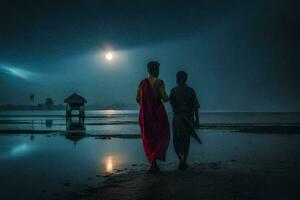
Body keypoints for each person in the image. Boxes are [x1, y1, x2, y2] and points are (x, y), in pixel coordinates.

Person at [136, 61, 170, 173]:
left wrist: (146, 106)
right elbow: (164, 98)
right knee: (162, 137)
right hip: (158, 114)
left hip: (145, 115)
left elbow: (137, 99)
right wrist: (170, 96)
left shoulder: (142, 83)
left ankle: (153, 164)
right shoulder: (159, 82)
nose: (158, 71)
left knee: (149, 139)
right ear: (155, 70)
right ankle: (153, 164)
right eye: (158, 69)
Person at [169, 71, 200, 170]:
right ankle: (184, 161)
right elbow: (195, 107)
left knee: (177, 140)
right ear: (185, 78)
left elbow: (173, 105)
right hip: (188, 118)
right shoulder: (190, 90)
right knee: (186, 141)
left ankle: (181, 160)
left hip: (178, 118)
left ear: (177, 78)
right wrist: (197, 120)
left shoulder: (174, 90)